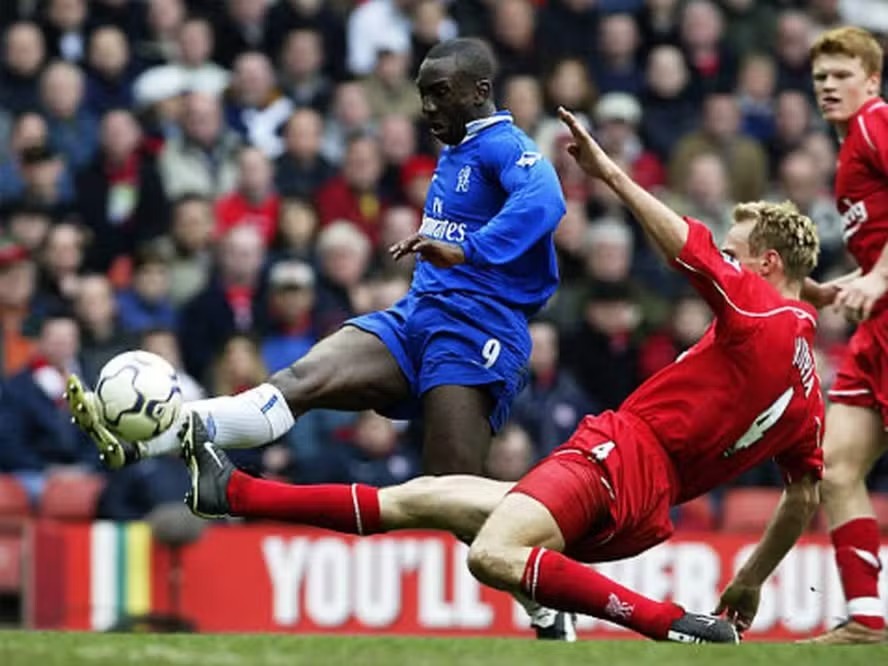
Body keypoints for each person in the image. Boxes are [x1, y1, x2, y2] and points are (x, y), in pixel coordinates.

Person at [178, 107, 825, 645]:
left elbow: (684, 244)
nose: (727, 256)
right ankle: (230, 493)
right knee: (425, 496)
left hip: (621, 457)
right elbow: (802, 498)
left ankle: (674, 624)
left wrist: (608, 174)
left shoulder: (756, 308)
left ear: (767, 263)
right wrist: (751, 578)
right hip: (646, 505)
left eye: (737, 250)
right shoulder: (807, 394)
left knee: (489, 555)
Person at [66, 38, 569, 637]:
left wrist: (468, 249)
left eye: (440, 94)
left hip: (478, 333)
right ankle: (154, 437)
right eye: (421, 95)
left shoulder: (506, 146)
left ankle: (545, 601)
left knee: (451, 497)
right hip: (416, 317)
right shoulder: (457, 149)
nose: (428, 108)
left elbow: (547, 199)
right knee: (298, 381)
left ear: (480, 91)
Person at [800, 26, 888, 644]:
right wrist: (847, 283)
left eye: (840, 75)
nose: (828, 86)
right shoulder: (849, 143)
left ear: (872, 81)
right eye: (820, 78)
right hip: (876, 329)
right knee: (836, 468)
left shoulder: (876, 122)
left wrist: (880, 276)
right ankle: (866, 618)